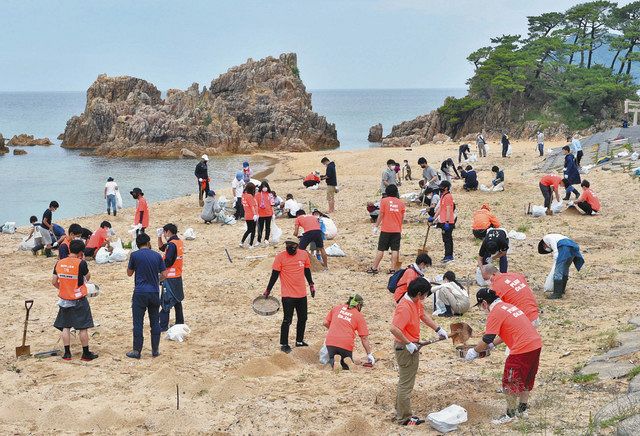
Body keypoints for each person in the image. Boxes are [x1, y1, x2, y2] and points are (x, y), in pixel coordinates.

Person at [465, 288, 542, 425]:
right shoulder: (508, 306)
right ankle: (522, 410)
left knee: (510, 382)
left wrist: (474, 351)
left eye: (481, 307)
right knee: (526, 380)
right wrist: (492, 346)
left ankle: (510, 414)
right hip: (535, 345)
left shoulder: (495, 312)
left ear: (484, 303)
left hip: (521, 349)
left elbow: (487, 337)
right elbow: (504, 332)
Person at [390, 278, 448, 426]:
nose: (425, 298)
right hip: (405, 348)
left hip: (412, 345)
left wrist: (438, 328)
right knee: (406, 384)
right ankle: (404, 418)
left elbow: (423, 316)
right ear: (419, 293)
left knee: (405, 382)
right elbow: (394, 329)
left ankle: (400, 411)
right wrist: (408, 343)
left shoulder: (415, 302)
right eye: (425, 295)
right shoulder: (404, 306)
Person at [263, 239, 316, 353]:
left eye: (291, 246)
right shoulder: (280, 257)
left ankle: (299, 341)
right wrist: (268, 290)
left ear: (297, 246)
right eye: (287, 246)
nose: (289, 248)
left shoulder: (304, 254)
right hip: (288, 295)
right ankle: (284, 343)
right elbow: (274, 275)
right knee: (287, 320)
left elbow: (307, 271)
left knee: (303, 318)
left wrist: (311, 284)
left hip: (301, 294)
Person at [52, 239, 98, 362]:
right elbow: (87, 277)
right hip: (78, 299)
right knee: (83, 327)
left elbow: (53, 281)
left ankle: (67, 353)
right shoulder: (81, 263)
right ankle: (86, 353)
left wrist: (63, 288)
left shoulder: (59, 263)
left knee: (65, 326)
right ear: (81, 253)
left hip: (64, 299)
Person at [126, 232, 167, 359]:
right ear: (149, 243)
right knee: (155, 321)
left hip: (140, 292)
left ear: (137, 245)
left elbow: (129, 273)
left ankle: (137, 351)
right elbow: (164, 274)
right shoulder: (157, 255)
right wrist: (156, 280)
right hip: (154, 291)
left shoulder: (134, 255)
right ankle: (155, 350)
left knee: (138, 322)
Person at [323, 294, 373, 370]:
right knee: (345, 363)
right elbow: (364, 338)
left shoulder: (337, 308)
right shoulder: (359, 315)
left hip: (331, 342)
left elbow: (325, 323)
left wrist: (334, 329)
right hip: (345, 343)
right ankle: (346, 363)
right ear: (358, 305)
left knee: (331, 358)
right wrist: (369, 354)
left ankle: (334, 361)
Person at [368, 185, 406, 274]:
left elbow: (381, 214)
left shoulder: (384, 201)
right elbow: (402, 217)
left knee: (381, 249)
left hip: (386, 229)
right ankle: (392, 269)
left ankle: (374, 268)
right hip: (396, 230)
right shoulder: (401, 203)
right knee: (395, 250)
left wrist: (376, 226)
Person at [538, 234, 584, 299]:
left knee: (558, 271)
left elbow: (555, 249)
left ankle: (557, 294)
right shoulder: (559, 236)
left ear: (543, 245)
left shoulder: (546, 238)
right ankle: (562, 290)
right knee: (565, 268)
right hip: (573, 246)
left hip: (564, 247)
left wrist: (556, 259)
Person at [157, 223, 185, 332]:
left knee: (166, 301)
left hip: (169, 277)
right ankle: (180, 322)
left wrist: (159, 266)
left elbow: (168, 261)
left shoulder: (171, 245)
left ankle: (163, 326)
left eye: (164, 232)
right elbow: (162, 247)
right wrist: (159, 236)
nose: (164, 234)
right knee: (177, 299)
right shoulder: (178, 242)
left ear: (168, 232)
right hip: (178, 275)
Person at [431, 181, 455, 263]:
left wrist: (447, 222)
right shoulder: (443, 196)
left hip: (448, 222)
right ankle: (446, 255)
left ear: (446, 188)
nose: (440, 188)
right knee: (445, 239)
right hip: (443, 221)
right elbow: (440, 208)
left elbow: (448, 210)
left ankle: (449, 256)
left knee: (448, 239)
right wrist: (433, 217)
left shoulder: (448, 197)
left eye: (442, 186)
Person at [240, 182, 258, 248]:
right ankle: (250, 244)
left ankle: (241, 242)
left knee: (248, 230)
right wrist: (255, 214)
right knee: (253, 230)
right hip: (252, 216)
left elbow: (244, 205)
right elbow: (252, 206)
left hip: (246, 215)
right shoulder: (249, 196)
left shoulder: (243, 195)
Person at [256, 181, 274, 245]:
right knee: (260, 228)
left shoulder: (270, 194)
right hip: (260, 214)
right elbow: (256, 204)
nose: (264, 188)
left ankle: (266, 239)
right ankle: (258, 240)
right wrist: (256, 213)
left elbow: (272, 204)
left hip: (268, 213)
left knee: (268, 227)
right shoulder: (258, 194)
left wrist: (273, 213)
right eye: (263, 187)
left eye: (265, 187)